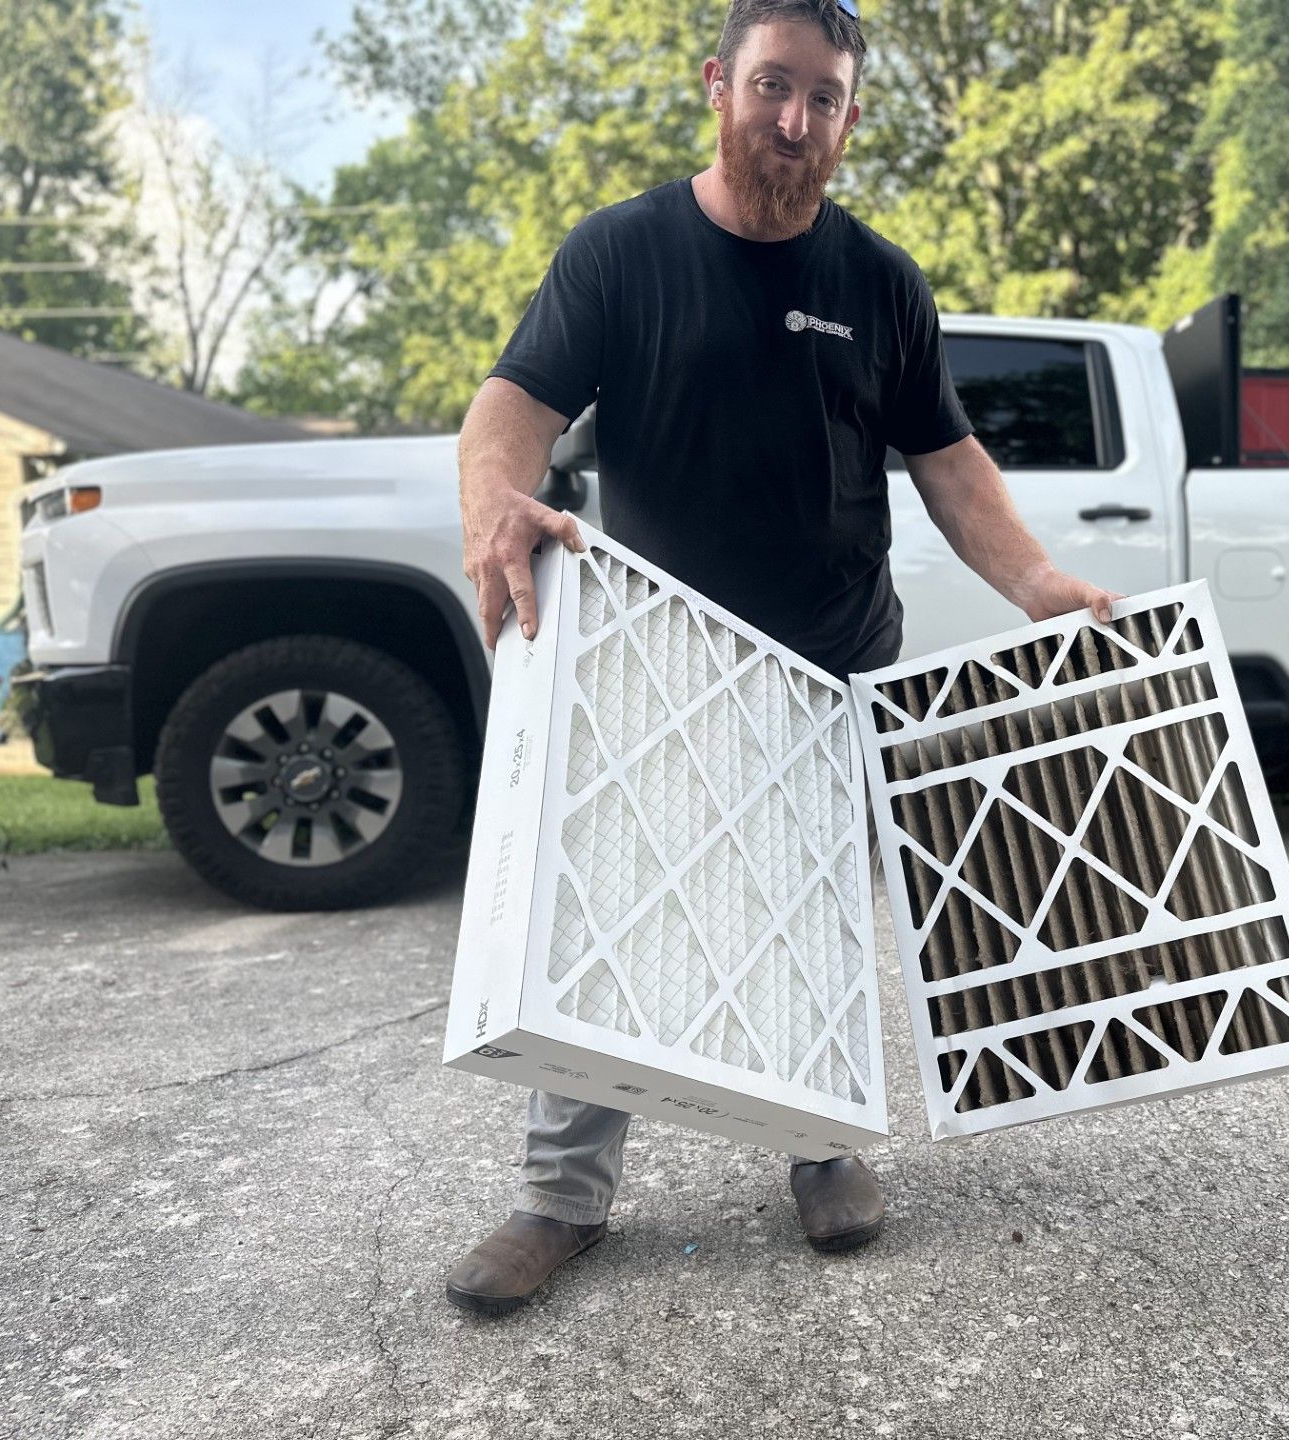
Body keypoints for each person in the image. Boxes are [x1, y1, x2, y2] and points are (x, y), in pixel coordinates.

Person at [449, 0, 1120, 1316]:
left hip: (832, 661)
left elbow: (949, 464)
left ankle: (823, 1150)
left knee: (814, 910)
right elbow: (510, 407)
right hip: (655, 663)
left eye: (824, 98)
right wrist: (493, 502)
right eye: (773, 87)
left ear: (850, 117)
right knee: (604, 914)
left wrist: (1037, 580)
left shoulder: (879, 283)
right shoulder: (623, 254)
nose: (796, 120)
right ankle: (561, 1200)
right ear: (719, 84)